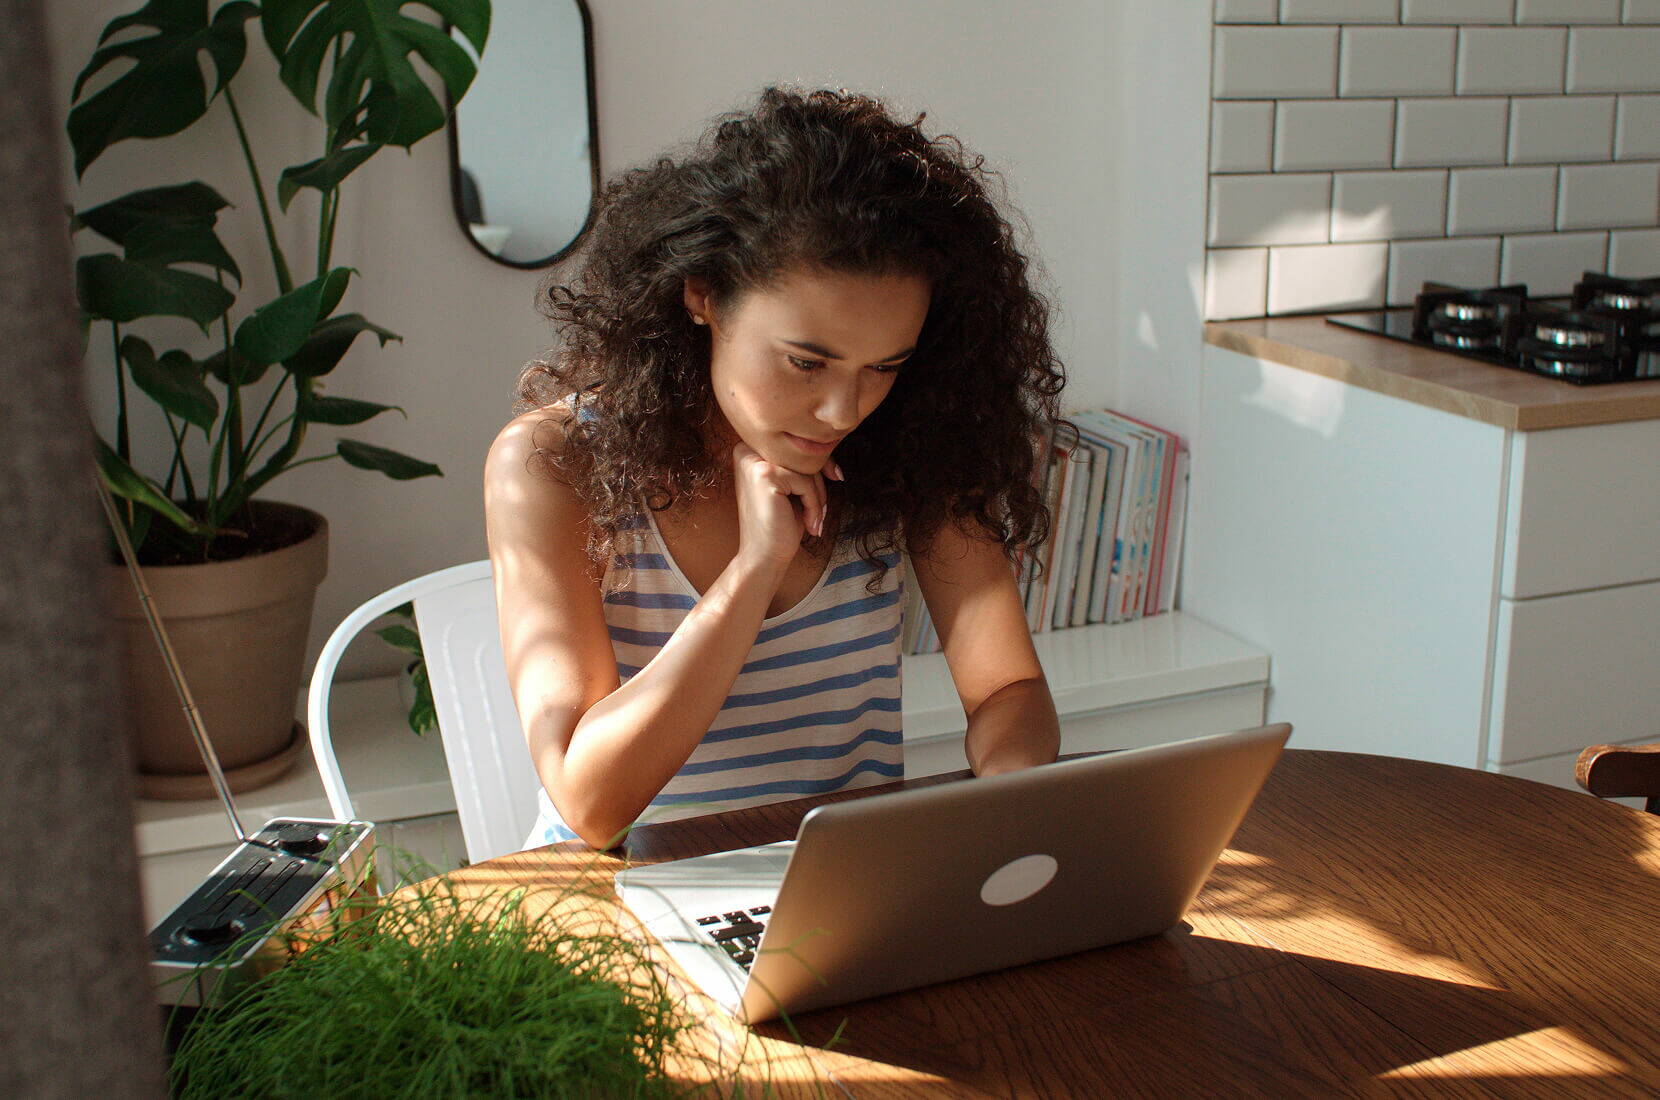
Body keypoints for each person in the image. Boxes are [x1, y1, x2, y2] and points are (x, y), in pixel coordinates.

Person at [485, 86, 1066, 851]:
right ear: (703, 296)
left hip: (840, 887)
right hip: (620, 895)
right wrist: (754, 571)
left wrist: (1008, 799)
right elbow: (592, 803)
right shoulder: (555, 466)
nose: (842, 411)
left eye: (884, 366)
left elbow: (1008, 689)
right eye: (806, 361)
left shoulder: (912, 445)